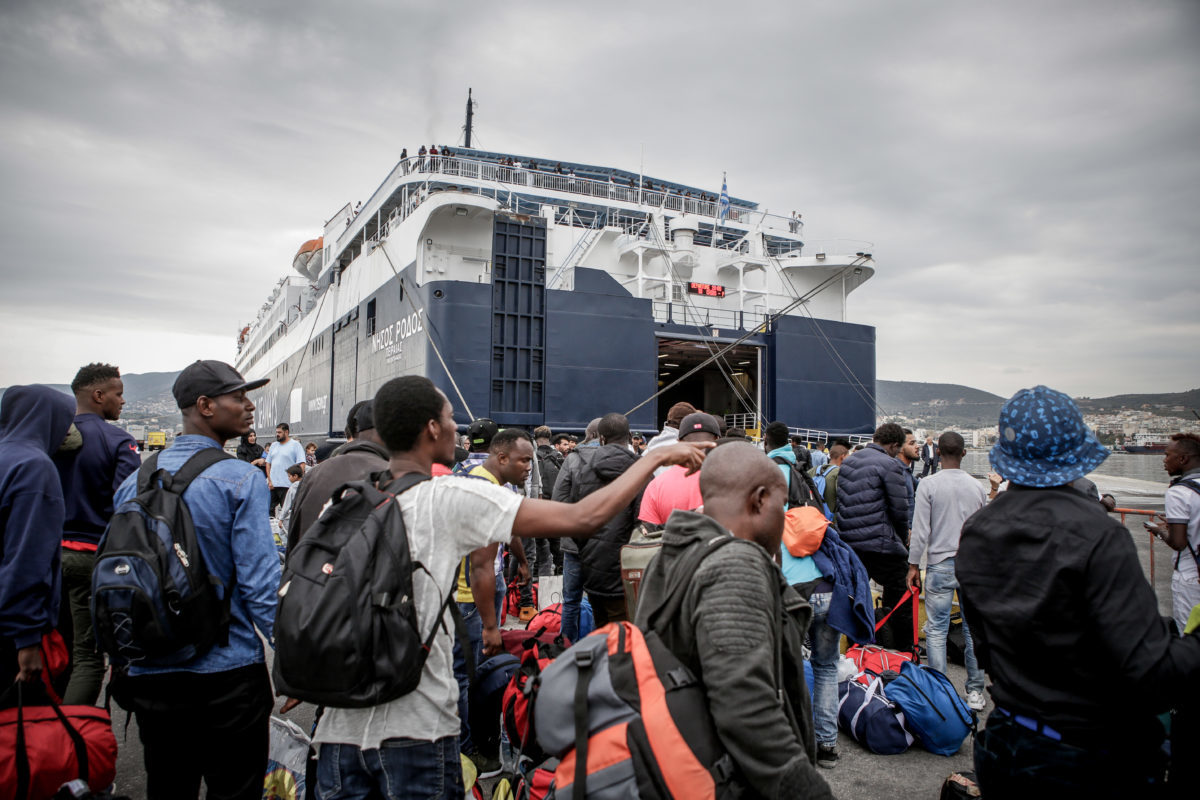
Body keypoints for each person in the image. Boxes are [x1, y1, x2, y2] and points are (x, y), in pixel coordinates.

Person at [306, 375, 708, 800]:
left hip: (340, 727)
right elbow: (584, 518)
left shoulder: (349, 497)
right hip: (415, 729)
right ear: (431, 428)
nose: (458, 429)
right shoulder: (451, 495)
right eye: (450, 419)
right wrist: (651, 460)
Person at [958, 385, 1200, 794]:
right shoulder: (1099, 536)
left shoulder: (977, 531)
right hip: (1088, 756)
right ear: (1075, 455)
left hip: (1006, 741)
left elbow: (984, 644)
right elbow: (1151, 673)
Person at [112, 360, 280, 800]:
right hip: (227, 671)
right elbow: (261, 588)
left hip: (151, 668)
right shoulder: (241, 479)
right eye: (239, 397)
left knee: (168, 787)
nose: (249, 407)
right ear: (204, 406)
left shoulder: (132, 483)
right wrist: (296, 656)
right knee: (235, 789)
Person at [634, 442, 833, 799]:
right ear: (758, 500)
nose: (784, 516)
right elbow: (745, 707)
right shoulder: (735, 565)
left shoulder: (669, 555)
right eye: (782, 503)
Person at [52, 362, 141, 704]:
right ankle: (72, 743)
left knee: (51, 648)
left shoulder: (49, 437)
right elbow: (127, 508)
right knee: (87, 657)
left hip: (47, 556)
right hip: (91, 557)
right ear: (98, 394)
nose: (122, 402)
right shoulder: (119, 441)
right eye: (118, 395)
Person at [903, 431, 986, 711]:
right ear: (964, 453)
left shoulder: (928, 484)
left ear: (938, 453)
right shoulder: (977, 488)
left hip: (939, 562)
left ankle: (941, 691)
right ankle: (975, 691)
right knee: (973, 631)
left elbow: (921, 531)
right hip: (973, 565)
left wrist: (914, 565)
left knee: (936, 630)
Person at [0, 385, 76, 687]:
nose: (69, 431)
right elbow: (27, 558)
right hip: (13, 633)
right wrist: (28, 639)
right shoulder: (35, 468)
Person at [552, 413, 641, 641]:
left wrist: (584, 545)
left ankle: (571, 651)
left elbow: (564, 504)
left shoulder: (579, 465)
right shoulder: (639, 469)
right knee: (625, 635)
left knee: (576, 604)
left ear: (601, 438)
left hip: (587, 556)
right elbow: (642, 521)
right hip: (624, 563)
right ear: (630, 437)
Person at [835, 422, 912, 652]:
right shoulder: (890, 465)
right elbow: (900, 510)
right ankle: (901, 650)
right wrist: (902, 539)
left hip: (851, 543)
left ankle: (856, 646)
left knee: (856, 595)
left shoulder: (848, 462)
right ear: (894, 445)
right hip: (880, 543)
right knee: (899, 594)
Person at [287, 401, 390, 552]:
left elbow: (293, 540)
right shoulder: (393, 476)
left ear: (349, 431)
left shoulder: (313, 476)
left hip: (310, 571)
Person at [1147, 432, 1200, 632]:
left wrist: (1160, 531)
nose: (1164, 460)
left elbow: (1178, 542)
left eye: (1167, 455)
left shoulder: (1178, 492)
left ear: (1183, 459)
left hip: (1190, 576)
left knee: (1189, 633)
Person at [637, 412, 721, 528]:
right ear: (717, 439)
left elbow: (648, 535)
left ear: (679, 442)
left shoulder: (655, 486)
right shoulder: (731, 480)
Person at [266, 422, 305, 513]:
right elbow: (268, 463)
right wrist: (270, 480)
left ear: (286, 432)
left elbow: (302, 464)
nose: (277, 435)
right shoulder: (273, 445)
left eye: (279, 432)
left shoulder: (295, 445)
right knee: (268, 510)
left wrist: (296, 482)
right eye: (276, 432)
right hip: (273, 485)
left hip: (288, 485)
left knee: (287, 512)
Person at [808, 441, 848, 514]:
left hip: (812, 515)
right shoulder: (839, 473)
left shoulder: (812, 471)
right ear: (843, 456)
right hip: (830, 519)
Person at [897, 427, 921, 535]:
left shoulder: (907, 472)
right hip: (903, 532)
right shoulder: (897, 471)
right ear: (900, 448)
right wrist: (906, 528)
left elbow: (922, 486)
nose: (917, 446)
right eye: (912, 443)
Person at [276, 463, 303, 535]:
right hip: (303, 516)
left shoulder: (292, 488)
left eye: (289, 476)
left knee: (284, 535)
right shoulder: (306, 485)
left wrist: (281, 519)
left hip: (292, 516)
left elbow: (286, 506)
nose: (288, 478)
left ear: (295, 476)